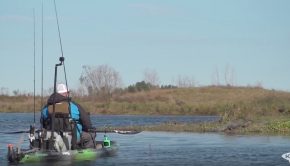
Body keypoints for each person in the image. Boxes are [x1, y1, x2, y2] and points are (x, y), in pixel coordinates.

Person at [40, 83, 95, 151]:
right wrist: (88, 129)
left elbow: (43, 124)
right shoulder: (74, 106)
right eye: (68, 92)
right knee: (91, 135)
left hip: (51, 138)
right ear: (66, 93)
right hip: (73, 138)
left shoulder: (45, 109)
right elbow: (87, 124)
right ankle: (87, 154)